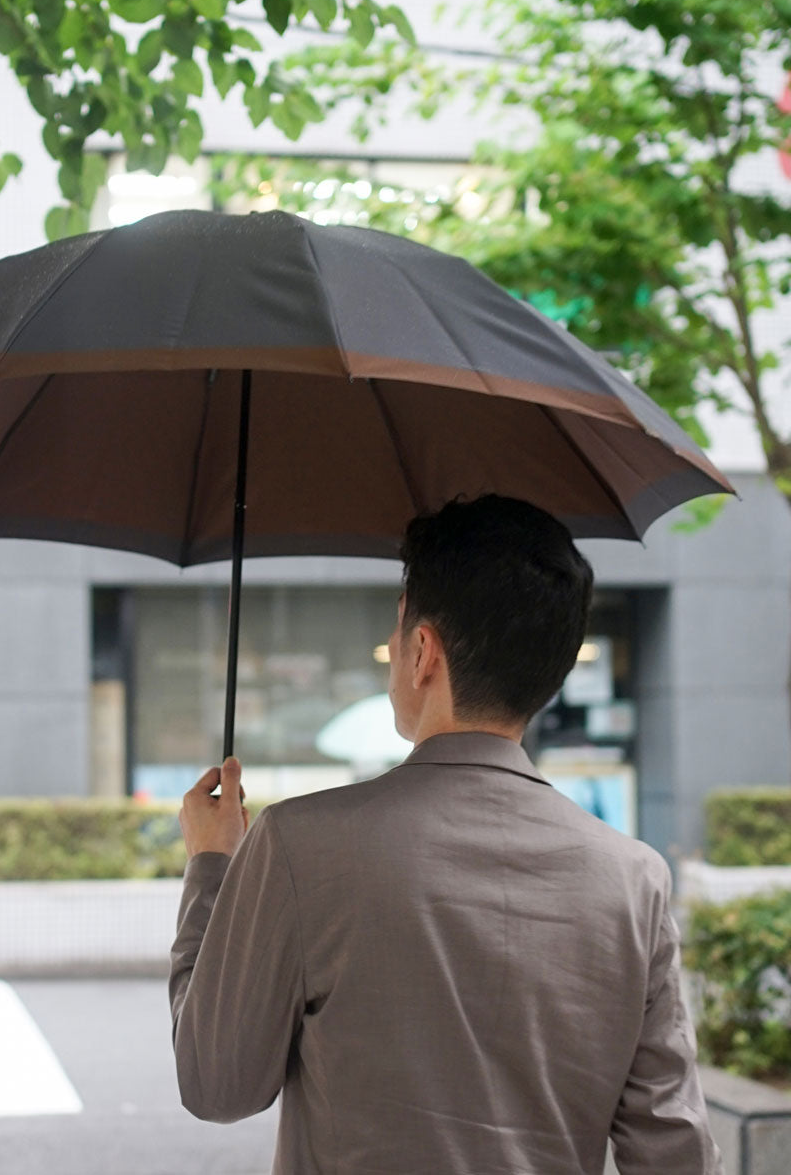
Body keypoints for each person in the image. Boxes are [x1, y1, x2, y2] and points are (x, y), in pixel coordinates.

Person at [170, 494, 723, 1175]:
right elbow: (673, 1153)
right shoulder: (632, 878)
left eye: (398, 631)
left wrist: (212, 869)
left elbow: (217, 1083)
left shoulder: (301, 845)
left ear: (423, 652)